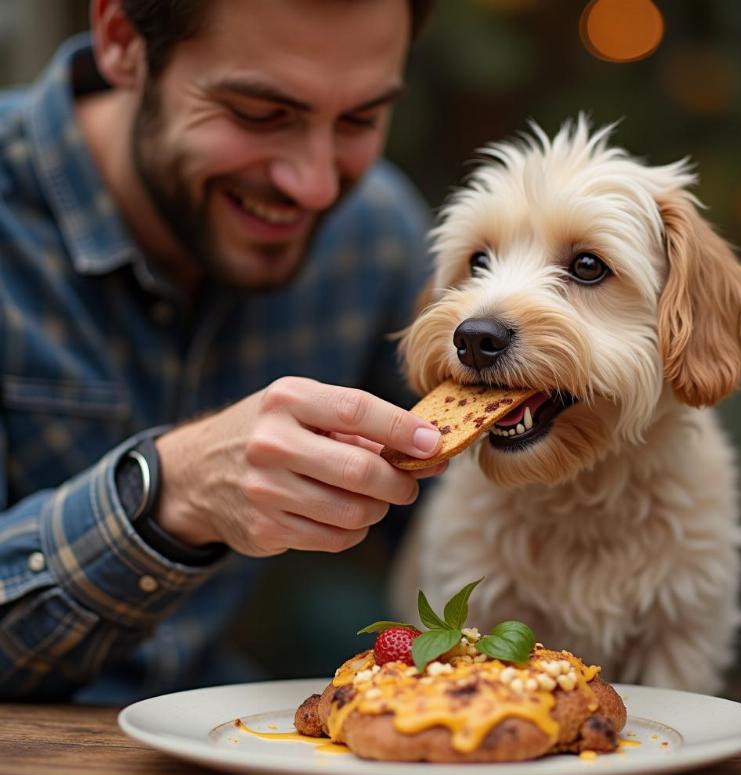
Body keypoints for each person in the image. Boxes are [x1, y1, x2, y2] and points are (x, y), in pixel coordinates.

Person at [0, 0, 443, 702]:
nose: (317, 186)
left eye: (359, 119)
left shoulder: (375, 236)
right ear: (120, 40)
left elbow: (469, 528)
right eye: (260, 114)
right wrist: (164, 494)